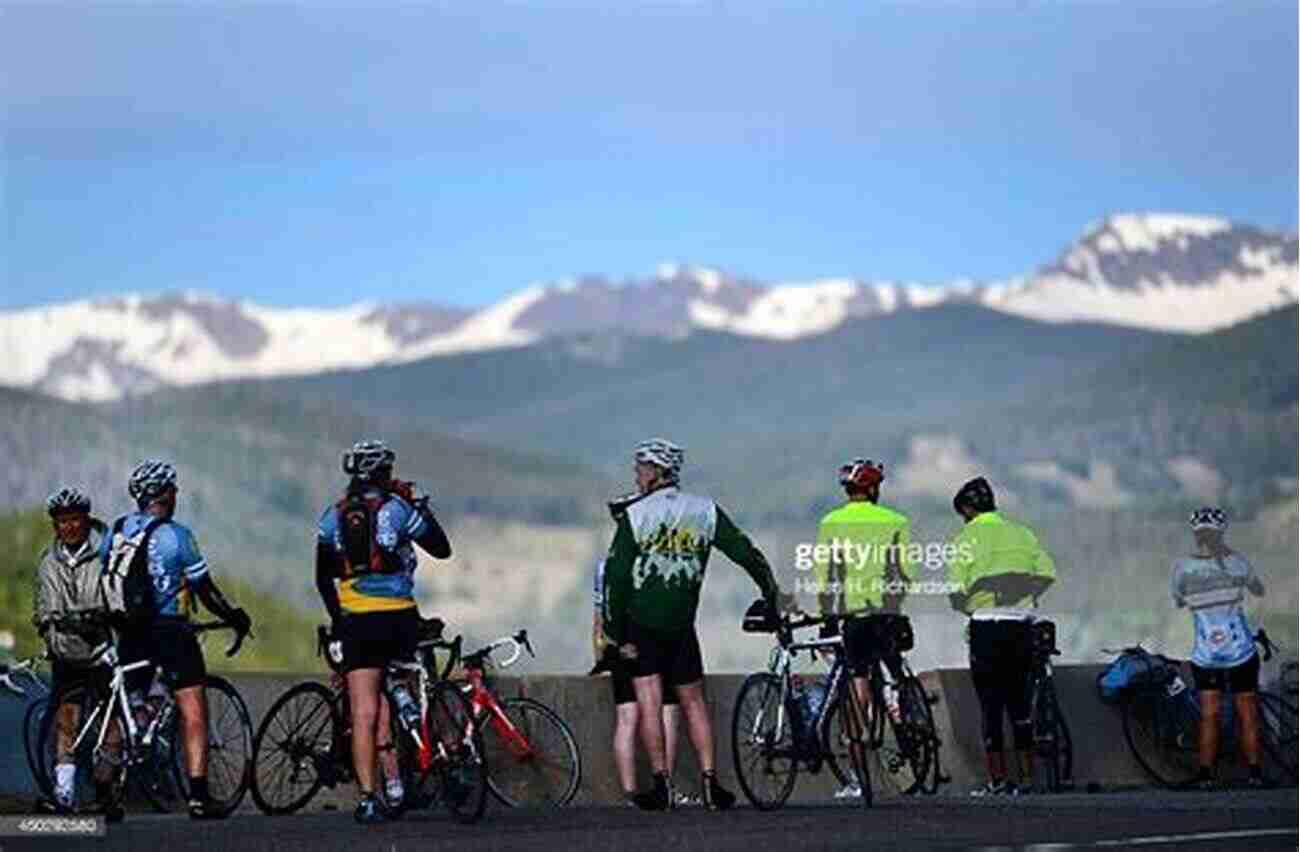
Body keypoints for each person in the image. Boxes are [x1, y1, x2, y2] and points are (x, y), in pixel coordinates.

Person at [602, 438, 788, 811]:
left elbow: (616, 579)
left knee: (651, 702)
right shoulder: (705, 510)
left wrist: (615, 632)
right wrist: (771, 592)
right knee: (694, 703)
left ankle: (661, 785)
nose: (636, 476)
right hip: (682, 626)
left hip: (641, 626)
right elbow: (746, 553)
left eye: (640, 469)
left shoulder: (634, 517)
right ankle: (710, 783)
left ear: (656, 472)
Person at [100, 461, 254, 819]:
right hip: (170, 629)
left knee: (122, 708)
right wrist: (233, 617)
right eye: (173, 488)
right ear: (166, 494)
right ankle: (199, 796)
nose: (176, 494)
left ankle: (105, 788)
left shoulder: (118, 530)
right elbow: (205, 589)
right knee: (193, 707)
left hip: (129, 629)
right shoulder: (177, 535)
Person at [315, 439, 452, 824]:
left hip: (355, 620)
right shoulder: (397, 509)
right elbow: (441, 549)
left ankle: (368, 797)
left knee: (364, 712)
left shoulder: (333, 516)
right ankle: (423, 749)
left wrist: (339, 618)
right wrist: (420, 505)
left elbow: (321, 577)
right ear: (385, 474)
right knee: (413, 684)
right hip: (399, 616)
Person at [944, 477, 1055, 796]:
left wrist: (972, 603)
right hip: (1021, 625)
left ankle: (997, 781)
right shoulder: (1022, 533)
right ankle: (1028, 779)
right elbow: (1047, 573)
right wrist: (1024, 596)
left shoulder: (965, 539)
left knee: (991, 706)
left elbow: (956, 592)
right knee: (1020, 705)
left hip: (986, 627)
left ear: (967, 510)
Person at [812, 459, 915, 800]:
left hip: (852, 618)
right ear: (873, 489)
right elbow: (904, 573)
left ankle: (858, 776)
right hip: (884, 615)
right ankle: (905, 724)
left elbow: (826, 576)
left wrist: (827, 617)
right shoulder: (896, 521)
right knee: (894, 675)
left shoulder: (831, 523)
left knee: (857, 690)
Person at [1170, 507, 1270, 789]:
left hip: (1206, 655)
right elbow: (1259, 590)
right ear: (1222, 533)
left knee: (1209, 713)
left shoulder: (1183, 568)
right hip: (1241, 651)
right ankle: (1254, 774)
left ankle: (1206, 776)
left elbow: (1178, 600)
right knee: (1247, 711)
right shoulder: (1239, 563)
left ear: (1195, 535)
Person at [591, 536, 695, 806]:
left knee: (627, 717)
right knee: (668, 711)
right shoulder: (653, 561)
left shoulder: (605, 567)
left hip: (617, 645)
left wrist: (603, 654)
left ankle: (630, 794)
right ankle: (666, 788)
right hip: (651, 642)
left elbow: (599, 616)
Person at [32, 487, 117, 817]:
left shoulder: (104, 555)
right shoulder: (47, 562)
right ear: (55, 525)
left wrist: (103, 621)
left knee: (111, 721)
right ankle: (64, 794)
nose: (68, 527)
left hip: (100, 651)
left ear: (86, 520)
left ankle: (106, 790)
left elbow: (116, 598)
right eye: (61, 521)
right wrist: (46, 626)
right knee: (67, 721)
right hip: (65, 653)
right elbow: (40, 605)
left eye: (74, 520)